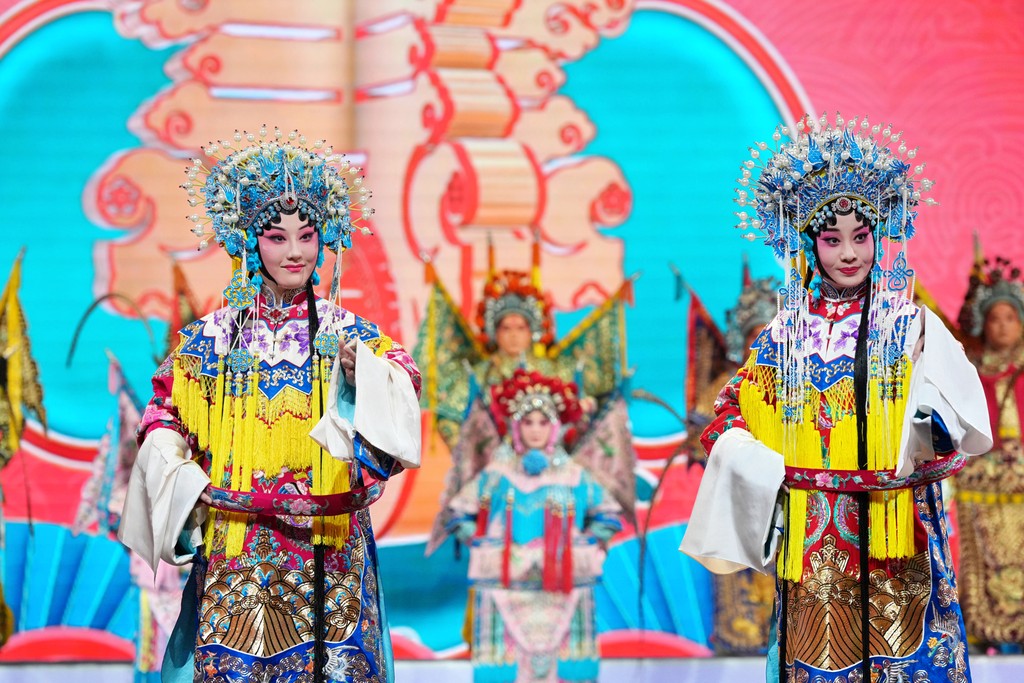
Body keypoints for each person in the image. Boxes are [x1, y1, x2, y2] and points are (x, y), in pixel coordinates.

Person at [681, 114, 992, 683]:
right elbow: (728, 411)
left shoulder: (912, 325)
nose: (849, 253)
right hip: (813, 529)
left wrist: (927, 431)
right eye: (832, 239)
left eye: (861, 236)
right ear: (808, 243)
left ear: (880, 237)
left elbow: (960, 418)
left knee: (903, 660)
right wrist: (758, 460)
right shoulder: (783, 336)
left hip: (896, 527)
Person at [118, 129, 422, 683]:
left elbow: (406, 383)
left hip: (329, 545)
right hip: (239, 543)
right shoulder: (209, 339)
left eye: (306, 236)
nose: (295, 252)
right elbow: (164, 414)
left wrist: (366, 377)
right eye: (277, 238)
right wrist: (181, 475)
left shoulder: (350, 334)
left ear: (325, 238)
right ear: (249, 242)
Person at [446, 368, 621, 683]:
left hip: (563, 584)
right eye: (528, 422)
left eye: (543, 422)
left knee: (567, 669)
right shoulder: (497, 474)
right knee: (504, 670)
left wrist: (585, 544)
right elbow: (459, 513)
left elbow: (608, 515)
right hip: (505, 584)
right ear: (516, 427)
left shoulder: (574, 475)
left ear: (555, 427)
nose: (536, 430)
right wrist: (482, 544)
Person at [955, 256, 1024, 652]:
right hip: (981, 485)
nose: (1002, 326)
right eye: (995, 318)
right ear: (983, 323)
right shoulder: (972, 374)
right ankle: (986, 630)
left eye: (1010, 318)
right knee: (987, 557)